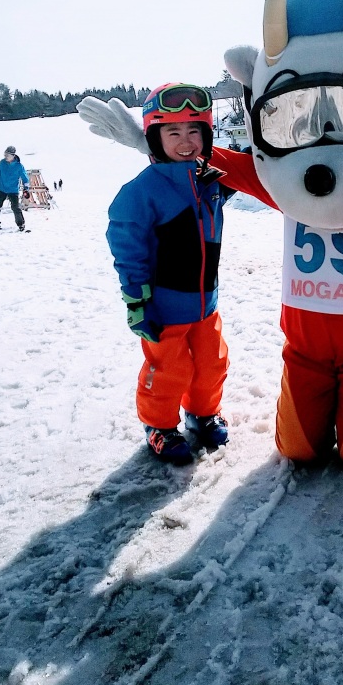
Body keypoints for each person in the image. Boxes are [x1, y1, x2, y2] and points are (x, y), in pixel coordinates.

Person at [107, 83, 237, 466]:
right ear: (154, 137)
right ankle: (159, 426)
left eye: (195, 130)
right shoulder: (141, 192)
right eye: (173, 132)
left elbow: (253, 165)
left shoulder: (210, 179)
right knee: (168, 370)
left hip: (205, 302)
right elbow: (127, 248)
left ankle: (203, 412)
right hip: (164, 306)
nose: (186, 141)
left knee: (212, 363)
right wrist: (137, 300)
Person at [0, 146, 29, 231]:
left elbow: (25, 178)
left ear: (13, 155)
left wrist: (26, 188)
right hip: (1, 188)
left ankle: (21, 224)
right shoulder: (2, 163)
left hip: (13, 190)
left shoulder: (19, 166)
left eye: (7, 155)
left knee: (15, 207)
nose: (5, 157)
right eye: (5, 154)